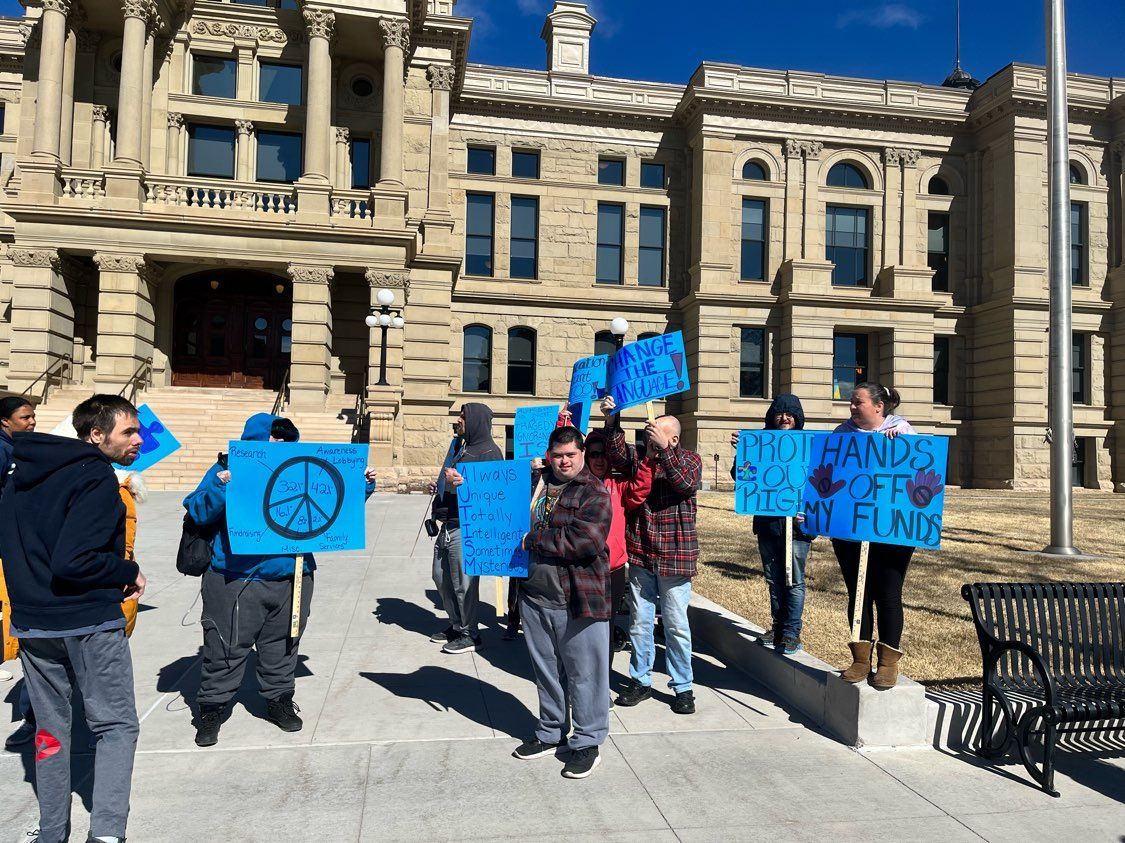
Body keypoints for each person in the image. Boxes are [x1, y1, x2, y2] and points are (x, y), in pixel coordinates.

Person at [0, 394, 146, 843]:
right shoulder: (96, 479)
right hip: (87, 621)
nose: (139, 440)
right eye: (129, 432)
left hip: (34, 622)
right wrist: (128, 571)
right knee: (116, 726)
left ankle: (51, 833)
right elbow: (74, 561)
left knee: (52, 730)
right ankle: (105, 834)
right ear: (95, 434)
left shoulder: (21, 475)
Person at [184, 413, 377, 747]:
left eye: (285, 438)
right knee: (224, 646)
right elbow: (198, 510)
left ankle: (279, 701)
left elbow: (332, 507)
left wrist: (362, 484)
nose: (278, 443)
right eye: (272, 437)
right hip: (234, 578)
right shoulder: (224, 468)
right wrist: (222, 486)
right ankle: (212, 708)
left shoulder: (303, 469)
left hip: (293, 576)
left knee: (284, 643)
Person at [512, 426, 613, 779]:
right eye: (557, 455)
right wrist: (467, 489)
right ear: (549, 455)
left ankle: (587, 741)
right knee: (547, 673)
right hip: (535, 595)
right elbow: (497, 507)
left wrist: (532, 539)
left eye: (570, 454)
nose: (564, 461)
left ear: (582, 453)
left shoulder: (594, 492)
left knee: (585, 675)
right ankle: (551, 732)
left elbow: (584, 541)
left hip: (578, 598)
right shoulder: (536, 485)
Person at [603, 397, 703, 715]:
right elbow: (616, 453)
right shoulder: (639, 460)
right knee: (639, 622)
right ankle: (640, 680)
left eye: (658, 431)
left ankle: (683, 686)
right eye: (650, 430)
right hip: (642, 551)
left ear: (673, 437)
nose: (651, 434)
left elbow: (685, 484)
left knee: (675, 625)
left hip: (676, 555)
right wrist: (612, 419)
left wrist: (666, 453)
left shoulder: (690, 459)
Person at [831, 382, 916, 690]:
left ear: (879, 407)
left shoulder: (903, 432)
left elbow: (919, 474)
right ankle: (860, 659)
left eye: (858, 402)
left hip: (892, 531)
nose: (852, 407)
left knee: (888, 594)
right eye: (851, 403)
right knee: (858, 594)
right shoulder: (840, 436)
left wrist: (902, 445)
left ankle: (888, 662)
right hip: (849, 531)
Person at [728, 394, 814, 655]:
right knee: (774, 580)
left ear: (797, 418)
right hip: (767, 525)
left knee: (794, 580)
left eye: (790, 414)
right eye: (779, 413)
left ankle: (791, 632)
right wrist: (742, 453)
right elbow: (741, 477)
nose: (784, 417)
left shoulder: (809, 445)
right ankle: (777, 627)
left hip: (798, 528)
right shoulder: (758, 443)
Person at [427, 403, 502, 654]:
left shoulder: (490, 452)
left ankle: (471, 634)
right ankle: (457, 625)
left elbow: (494, 495)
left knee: (464, 584)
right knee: (441, 577)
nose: (458, 420)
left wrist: (462, 485)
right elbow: (451, 481)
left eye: (463, 417)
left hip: (467, 528)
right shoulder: (461, 447)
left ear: (476, 421)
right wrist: (440, 486)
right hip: (447, 524)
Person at [583, 425, 653, 666]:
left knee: (606, 628)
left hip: (612, 570)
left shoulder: (618, 484)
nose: (599, 459)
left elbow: (640, 489)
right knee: (580, 629)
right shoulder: (578, 485)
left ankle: (602, 686)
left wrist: (649, 460)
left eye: (604, 453)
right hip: (582, 569)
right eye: (593, 454)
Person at [0, 397, 35, 688]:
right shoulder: (1, 450)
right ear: (5, 421)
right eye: (25, 417)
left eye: (32, 416)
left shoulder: (16, 448)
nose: (31, 422)